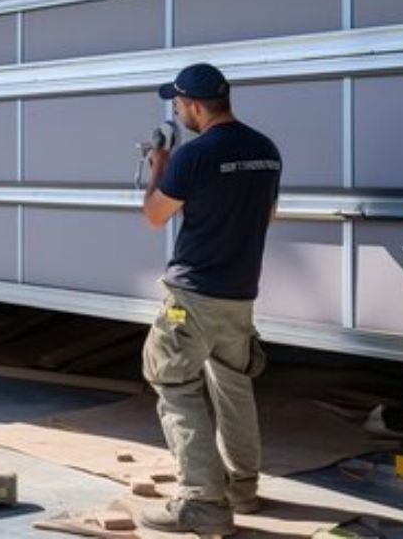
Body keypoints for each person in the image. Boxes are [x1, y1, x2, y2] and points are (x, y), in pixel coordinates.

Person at [138, 62, 282, 535]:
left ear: (196, 106)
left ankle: (203, 503)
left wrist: (159, 168)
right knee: (234, 385)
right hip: (240, 294)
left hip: (193, 295)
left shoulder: (193, 156)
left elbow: (155, 217)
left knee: (174, 382)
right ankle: (242, 489)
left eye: (179, 105)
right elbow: (269, 214)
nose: (178, 113)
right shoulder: (266, 150)